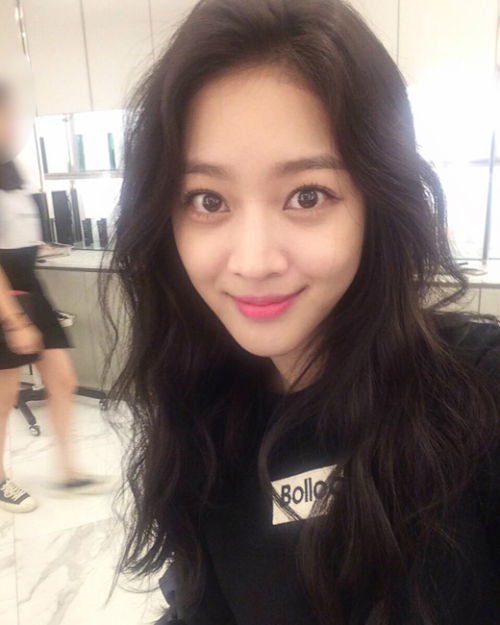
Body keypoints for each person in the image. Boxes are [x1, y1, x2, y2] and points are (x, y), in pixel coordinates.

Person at [103, 0, 500, 623]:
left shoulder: (480, 399)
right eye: (208, 200)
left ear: (376, 203)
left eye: (306, 195)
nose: (254, 261)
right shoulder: (202, 422)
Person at [0, 77, 113, 513]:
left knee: (62, 380)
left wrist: (37, 246)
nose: (13, 123)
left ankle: (68, 471)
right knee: (4, 396)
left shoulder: (12, 169)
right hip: (6, 297)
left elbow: (16, 232)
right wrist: (14, 320)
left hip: (30, 286)